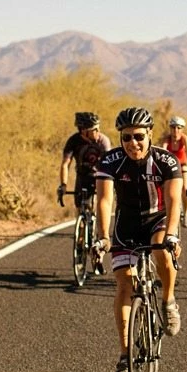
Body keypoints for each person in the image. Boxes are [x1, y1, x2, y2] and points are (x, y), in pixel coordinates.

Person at [94, 107, 185, 372]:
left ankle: (168, 301)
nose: (133, 143)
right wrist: (103, 236)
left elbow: (173, 201)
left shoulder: (166, 160)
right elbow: (104, 201)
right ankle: (124, 356)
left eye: (139, 137)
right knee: (124, 285)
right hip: (126, 226)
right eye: (126, 138)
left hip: (158, 222)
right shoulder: (110, 161)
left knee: (161, 252)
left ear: (150, 135)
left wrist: (172, 235)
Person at [59, 111, 113, 275]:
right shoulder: (73, 141)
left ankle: (99, 251)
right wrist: (62, 184)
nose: (97, 132)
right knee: (81, 211)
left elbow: (109, 166)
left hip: (100, 177)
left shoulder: (103, 141)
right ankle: (81, 238)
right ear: (83, 130)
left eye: (98, 129)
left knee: (99, 210)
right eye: (93, 130)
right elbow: (65, 164)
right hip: (82, 177)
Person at [159, 116, 187, 228]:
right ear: (170, 129)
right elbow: (163, 151)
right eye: (173, 127)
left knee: (185, 187)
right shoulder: (167, 139)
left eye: (179, 128)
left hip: (183, 165)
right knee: (163, 187)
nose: (176, 130)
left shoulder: (184, 138)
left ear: (182, 129)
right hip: (170, 166)